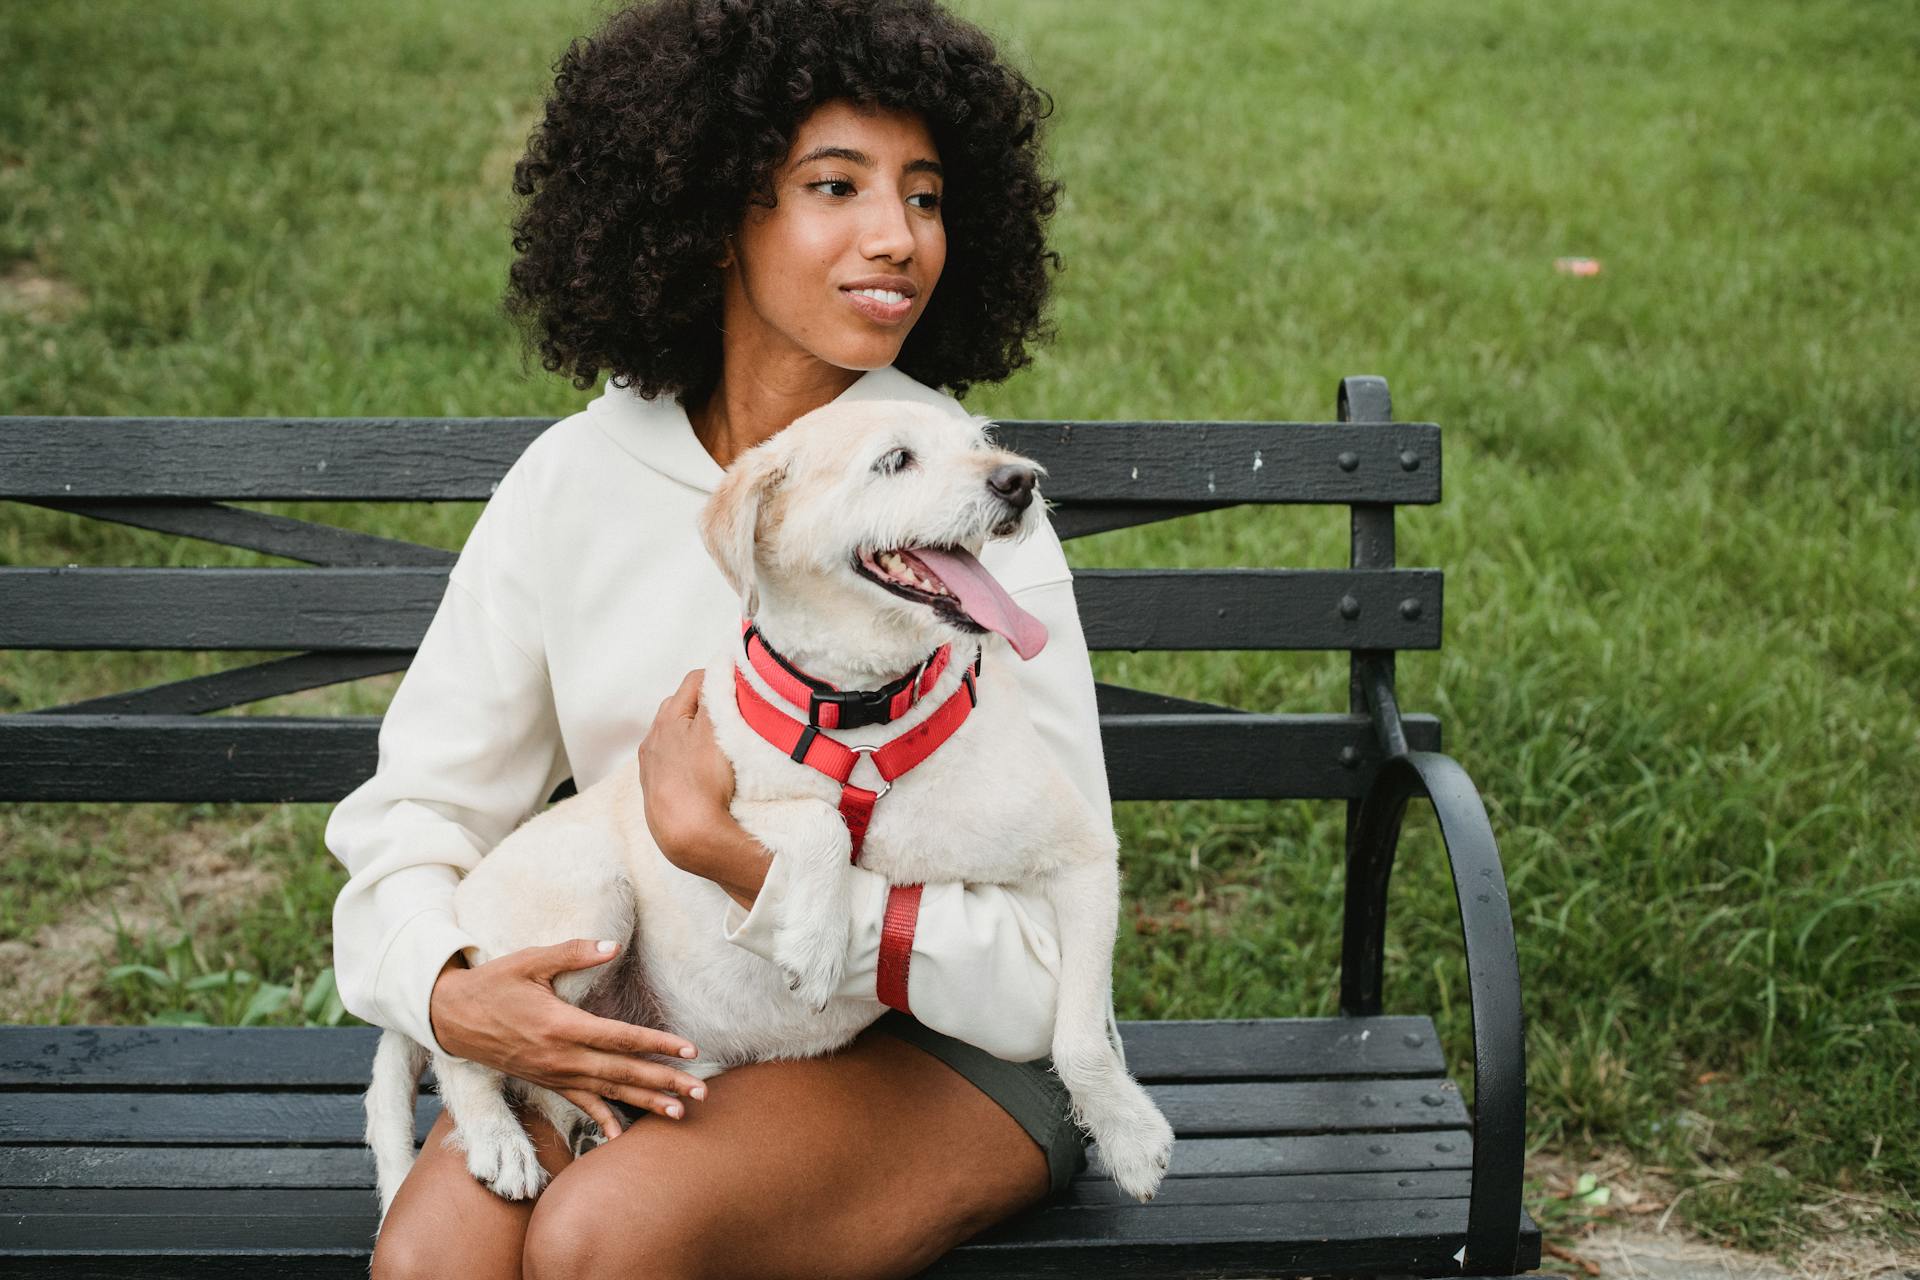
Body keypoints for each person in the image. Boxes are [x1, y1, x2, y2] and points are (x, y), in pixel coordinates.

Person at [325, 1, 1119, 1275]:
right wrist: (448, 984)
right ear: (707, 219)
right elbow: (417, 809)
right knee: (434, 1261)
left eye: (924, 194)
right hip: (673, 1003)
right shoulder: (573, 481)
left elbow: (1046, 945)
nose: (897, 236)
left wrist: (739, 858)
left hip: (943, 1041)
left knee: (607, 1234)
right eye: (834, 185)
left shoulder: (956, 493)